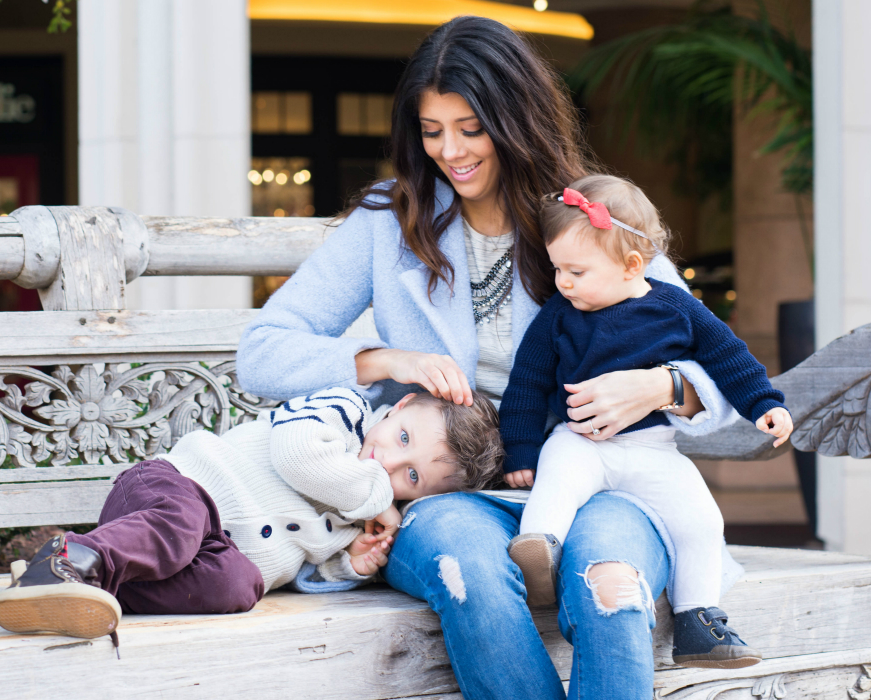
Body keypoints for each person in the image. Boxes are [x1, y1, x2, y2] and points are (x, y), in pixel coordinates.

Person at [237, 16, 744, 699]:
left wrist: (660, 386)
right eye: (432, 130)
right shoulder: (391, 220)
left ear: (515, 118)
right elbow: (263, 352)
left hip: (601, 478)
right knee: (466, 572)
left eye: (471, 127)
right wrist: (387, 360)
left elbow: (711, 356)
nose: (452, 151)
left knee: (613, 590)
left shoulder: (587, 215)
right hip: (448, 493)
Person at [500, 175, 793, 669]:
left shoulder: (675, 306)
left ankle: (698, 619)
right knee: (555, 485)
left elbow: (729, 358)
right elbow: (525, 385)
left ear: (631, 265)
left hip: (654, 449)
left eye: (576, 270)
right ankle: (540, 555)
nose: (563, 282)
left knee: (701, 522)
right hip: (579, 441)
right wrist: (522, 450)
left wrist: (765, 402)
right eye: (557, 269)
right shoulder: (557, 316)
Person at [0, 387, 504, 645]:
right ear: (399, 405)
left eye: (410, 476)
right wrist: (380, 497)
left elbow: (300, 569)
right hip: (174, 488)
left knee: (239, 586)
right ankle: (74, 556)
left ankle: (67, 584)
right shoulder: (342, 411)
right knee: (181, 526)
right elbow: (297, 457)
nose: (389, 461)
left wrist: (349, 565)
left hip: (217, 551)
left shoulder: (362, 516)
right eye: (404, 439)